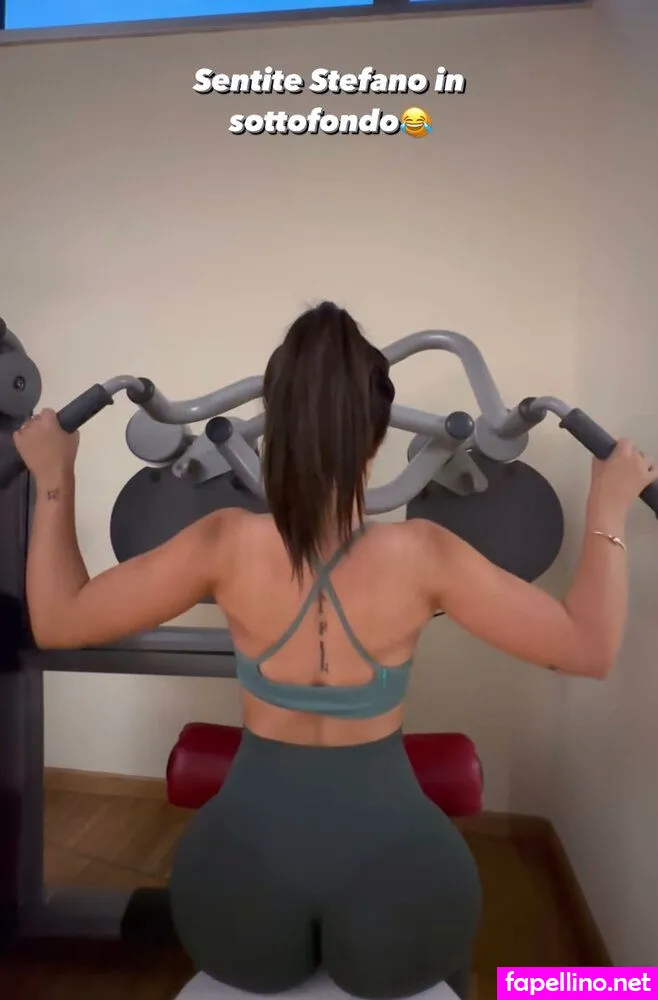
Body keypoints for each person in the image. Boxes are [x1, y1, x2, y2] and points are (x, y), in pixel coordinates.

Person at [14, 302, 656, 1000]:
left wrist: (53, 476)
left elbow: (59, 619)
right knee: (525, 982)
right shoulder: (424, 554)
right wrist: (609, 507)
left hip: (235, 880)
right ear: (375, 436)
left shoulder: (223, 543)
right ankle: (571, 987)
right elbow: (588, 647)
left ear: (275, 429)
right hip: (401, 877)